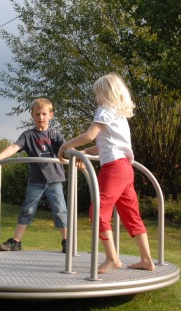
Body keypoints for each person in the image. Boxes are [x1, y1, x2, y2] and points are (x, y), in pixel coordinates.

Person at [57, 73, 155, 274]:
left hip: (114, 169)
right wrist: (83, 153)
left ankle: (112, 258)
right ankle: (146, 259)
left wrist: (65, 146)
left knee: (97, 212)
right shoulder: (119, 115)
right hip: (126, 169)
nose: (95, 99)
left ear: (106, 93)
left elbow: (90, 135)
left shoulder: (104, 111)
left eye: (97, 94)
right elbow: (103, 145)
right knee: (132, 215)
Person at [0, 98, 69, 253]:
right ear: (32, 115)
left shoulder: (55, 135)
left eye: (44, 114)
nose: (41, 117)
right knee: (27, 209)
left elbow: (67, 150)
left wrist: (77, 159)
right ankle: (16, 241)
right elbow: (14, 147)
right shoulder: (28, 135)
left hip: (54, 180)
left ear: (51, 115)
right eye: (37, 114)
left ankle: (67, 241)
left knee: (60, 210)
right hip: (36, 181)